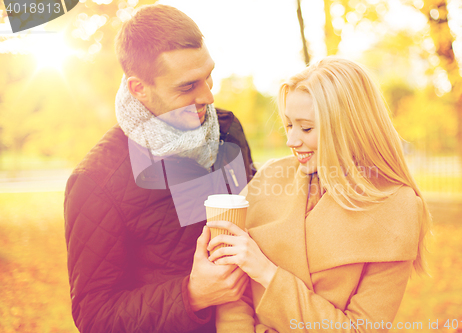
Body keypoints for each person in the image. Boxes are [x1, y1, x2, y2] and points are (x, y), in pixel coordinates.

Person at [64, 4, 255, 333]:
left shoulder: (227, 128)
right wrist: (191, 295)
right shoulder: (96, 180)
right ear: (139, 88)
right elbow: (94, 316)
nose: (208, 96)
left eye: (208, 75)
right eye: (187, 86)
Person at [207, 57, 431, 332]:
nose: (291, 141)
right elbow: (233, 289)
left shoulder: (397, 208)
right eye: (289, 125)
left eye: (307, 128)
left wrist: (267, 272)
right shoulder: (269, 177)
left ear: (349, 126)